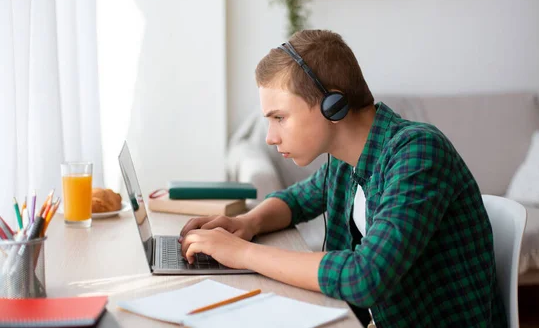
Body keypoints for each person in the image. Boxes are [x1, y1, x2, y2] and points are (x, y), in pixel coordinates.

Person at [179, 30, 507, 327]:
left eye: (279, 117)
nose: (270, 137)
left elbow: (366, 276)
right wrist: (247, 223)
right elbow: (296, 201)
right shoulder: (345, 161)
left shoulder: (418, 153)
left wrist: (241, 253)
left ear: (332, 107)